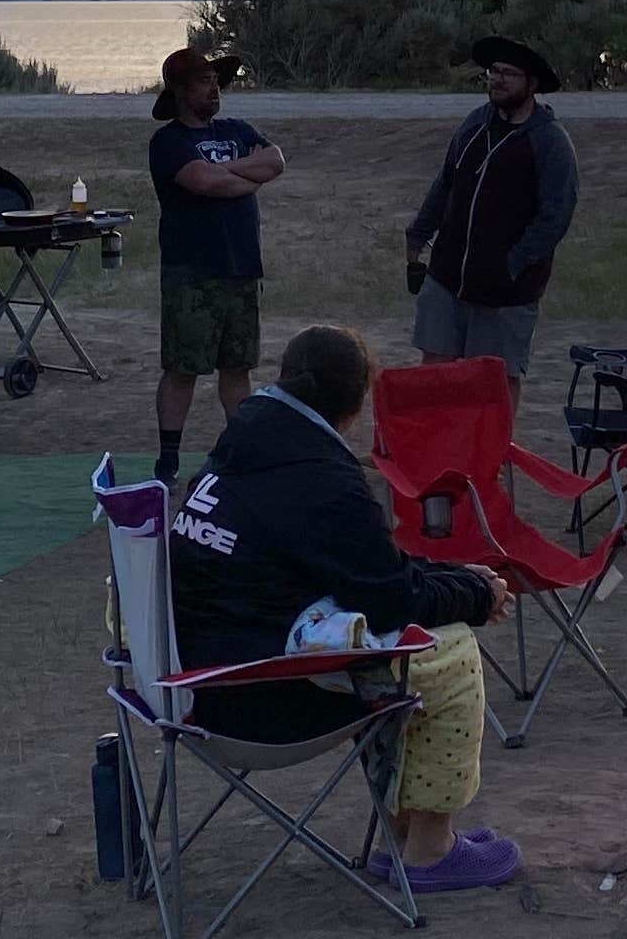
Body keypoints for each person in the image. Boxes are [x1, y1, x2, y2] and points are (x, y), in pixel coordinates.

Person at [170, 324, 520, 891]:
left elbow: (366, 568)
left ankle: (405, 833)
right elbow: (390, 598)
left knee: (382, 643)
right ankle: (431, 847)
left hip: (192, 681)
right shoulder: (318, 475)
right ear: (356, 406)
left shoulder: (245, 447)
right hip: (263, 699)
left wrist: (458, 577)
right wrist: (478, 595)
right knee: (447, 651)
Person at [404, 34, 580, 376]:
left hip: (506, 292)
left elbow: (555, 218)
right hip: (446, 277)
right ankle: (437, 434)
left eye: (509, 73)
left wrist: (511, 266)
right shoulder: (474, 123)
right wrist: (418, 235)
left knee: (491, 381)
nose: (498, 79)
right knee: (433, 374)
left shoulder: (549, 141)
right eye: (493, 71)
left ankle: (495, 435)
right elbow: (445, 183)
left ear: (532, 84)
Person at [148, 46, 285, 481]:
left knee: (238, 369)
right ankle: (168, 459)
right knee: (183, 369)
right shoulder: (169, 142)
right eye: (205, 82)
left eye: (216, 81)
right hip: (192, 273)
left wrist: (234, 173)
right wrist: (245, 178)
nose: (216, 89)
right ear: (182, 90)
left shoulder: (236, 128)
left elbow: (276, 160)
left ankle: (243, 451)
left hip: (241, 268)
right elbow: (206, 183)